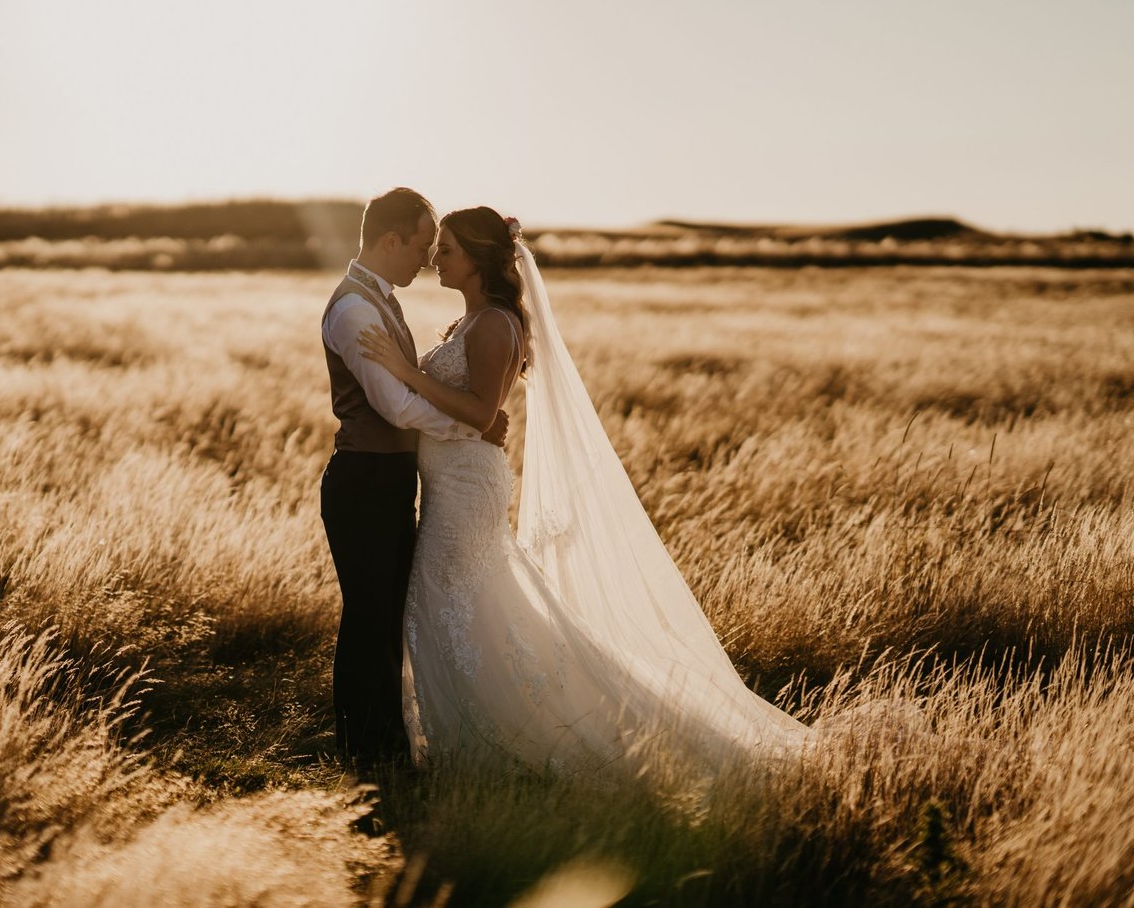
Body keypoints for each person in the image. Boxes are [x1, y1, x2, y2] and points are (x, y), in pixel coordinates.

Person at [357, 207, 809, 778]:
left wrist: (405, 369)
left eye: (445, 249)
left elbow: (481, 412)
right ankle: (475, 735)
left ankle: (506, 739)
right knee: (465, 604)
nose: (434, 259)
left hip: (467, 489)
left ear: (475, 257)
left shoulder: (495, 323)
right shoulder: (469, 322)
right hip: (451, 483)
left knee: (450, 601)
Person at [318, 187, 506, 774]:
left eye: (437, 249)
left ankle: (384, 742)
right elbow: (395, 406)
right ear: (390, 240)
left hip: (390, 479)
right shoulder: (355, 309)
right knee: (370, 617)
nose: (427, 260)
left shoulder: (382, 300)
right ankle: (363, 749)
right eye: (422, 246)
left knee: (384, 616)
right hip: (365, 482)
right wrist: (468, 426)